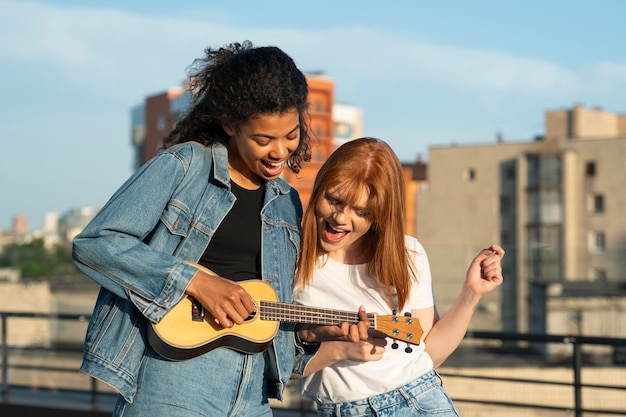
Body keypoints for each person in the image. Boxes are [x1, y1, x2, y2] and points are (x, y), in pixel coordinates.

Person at [72, 41, 368, 417]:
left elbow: (268, 311)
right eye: (264, 139)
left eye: (290, 135)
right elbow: (95, 244)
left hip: (253, 393)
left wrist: (320, 334)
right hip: (171, 384)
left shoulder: (287, 201)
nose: (280, 151)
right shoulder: (184, 167)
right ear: (230, 124)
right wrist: (194, 281)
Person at [293, 137, 505, 417]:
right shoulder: (290, 256)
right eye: (333, 199)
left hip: (420, 400)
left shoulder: (408, 253)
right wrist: (336, 351)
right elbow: (281, 367)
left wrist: (471, 293)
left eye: (360, 211)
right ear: (318, 188)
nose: (341, 218)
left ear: (379, 214)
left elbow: (430, 353)